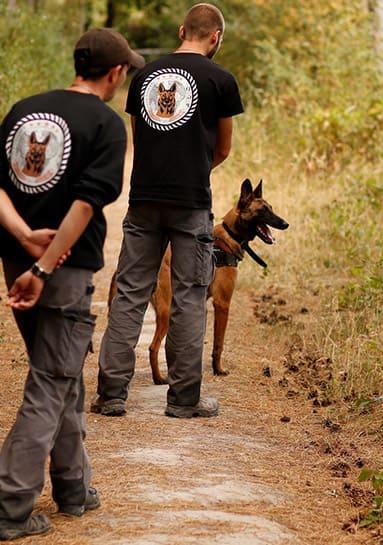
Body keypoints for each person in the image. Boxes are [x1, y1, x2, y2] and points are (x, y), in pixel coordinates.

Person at [0, 28, 145, 540]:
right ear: (116, 72)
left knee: (59, 374)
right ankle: (9, 506)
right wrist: (46, 268)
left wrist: (23, 239)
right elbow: (85, 204)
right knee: (49, 382)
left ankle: (72, 485)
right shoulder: (105, 123)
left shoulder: (23, 110)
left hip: (16, 260)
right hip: (61, 271)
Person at [91, 3, 244, 418]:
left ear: (182, 31)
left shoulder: (143, 76)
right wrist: (194, 170)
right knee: (190, 297)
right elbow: (224, 149)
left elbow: (140, 139)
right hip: (192, 203)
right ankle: (183, 399)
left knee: (129, 294)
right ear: (215, 37)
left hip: (143, 200)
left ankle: (111, 393)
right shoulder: (222, 80)